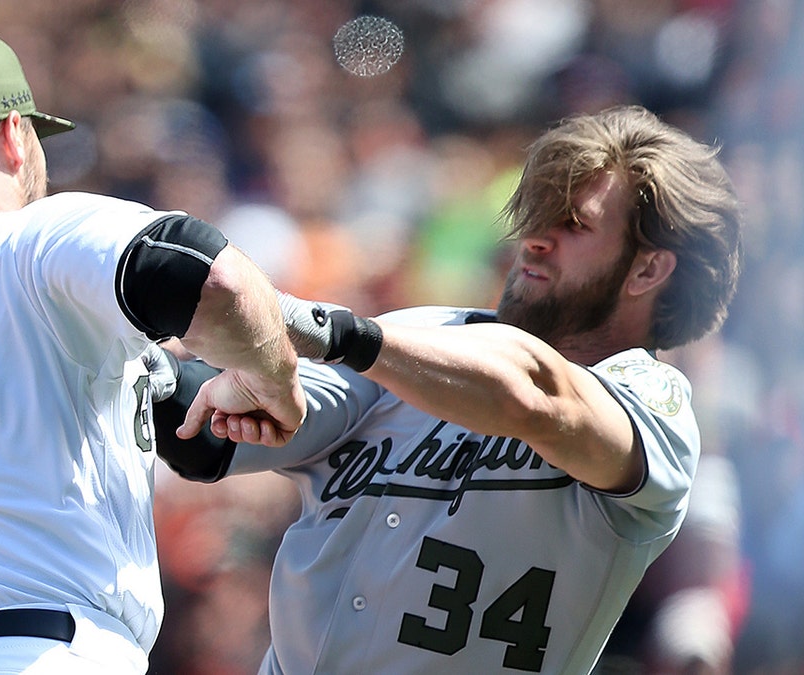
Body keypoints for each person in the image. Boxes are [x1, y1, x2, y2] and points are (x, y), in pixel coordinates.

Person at [149, 105, 742, 674]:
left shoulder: (653, 406)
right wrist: (151, 375)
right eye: (540, 214)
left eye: (574, 225)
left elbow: (533, 394)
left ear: (647, 270)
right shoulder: (423, 335)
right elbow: (212, 427)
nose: (535, 237)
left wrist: (329, 330)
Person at [0, 32, 305, 675]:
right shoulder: (27, 240)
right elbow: (211, 274)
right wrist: (275, 376)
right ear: (13, 135)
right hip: (28, 649)